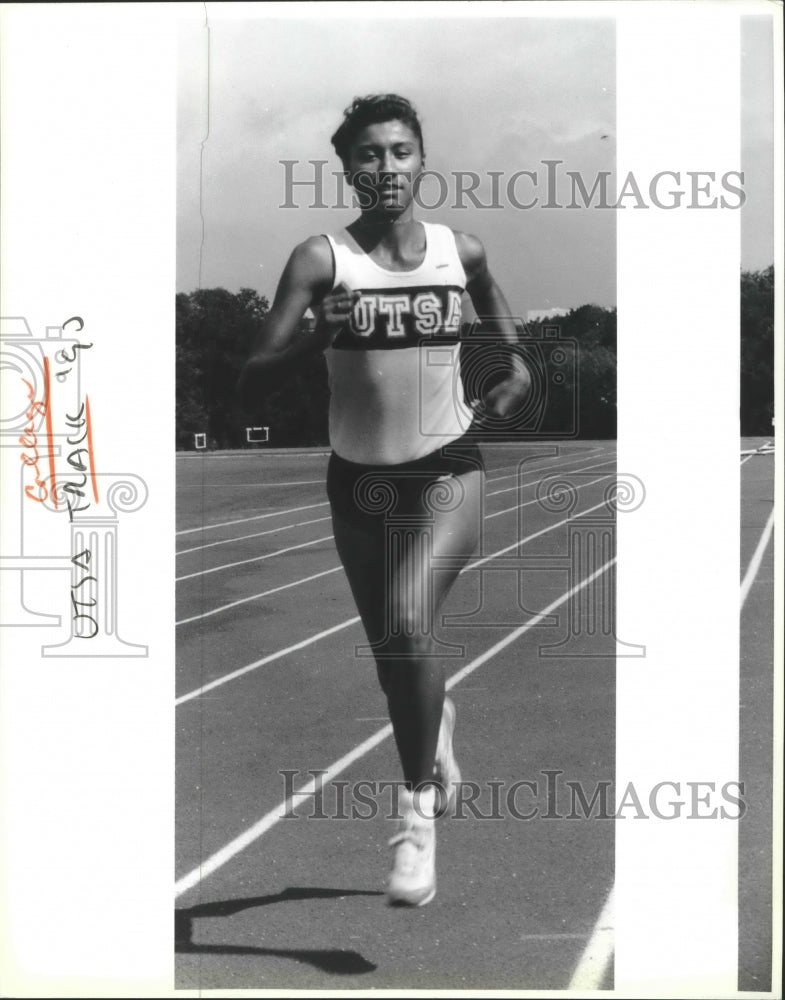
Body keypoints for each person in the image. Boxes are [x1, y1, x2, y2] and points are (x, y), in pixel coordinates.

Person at [239, 94, 530, 906]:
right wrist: (314, 337)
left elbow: (490, 296)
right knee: (393, 663)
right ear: (346, 168)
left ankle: (413, 821)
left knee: (407, 626)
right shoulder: (319, 260)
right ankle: (435, 724)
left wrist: (515, 364)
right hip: (356, 481)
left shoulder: (457, 249)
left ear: (421, 159)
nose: (385, 168)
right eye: (368, 155)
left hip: (447, 467)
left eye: (399, 151)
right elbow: (252, 371)